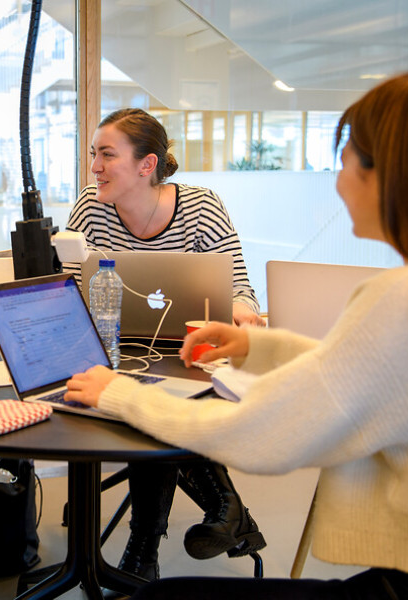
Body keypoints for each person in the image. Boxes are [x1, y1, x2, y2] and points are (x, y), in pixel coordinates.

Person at [65, 72, 408, 599]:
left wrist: (120, 394)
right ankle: (217, 514)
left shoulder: (404, 298)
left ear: (394, 175)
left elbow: (265, 429)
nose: (336, 182)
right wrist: (255, 346)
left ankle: (178, 534)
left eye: (347, 160)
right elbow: (355, 367)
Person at [64, 108, 265, 585]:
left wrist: (241, 313)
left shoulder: (201, 208)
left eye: (107, 154)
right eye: (94, 153)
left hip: (187, 354)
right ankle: (224, 506)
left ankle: (144, 545)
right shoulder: (90, 209)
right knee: (145, 396)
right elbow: (65, 286)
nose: (94, 166)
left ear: (146, 165)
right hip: (113, 350)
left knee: (154, 399)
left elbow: (239, 287)